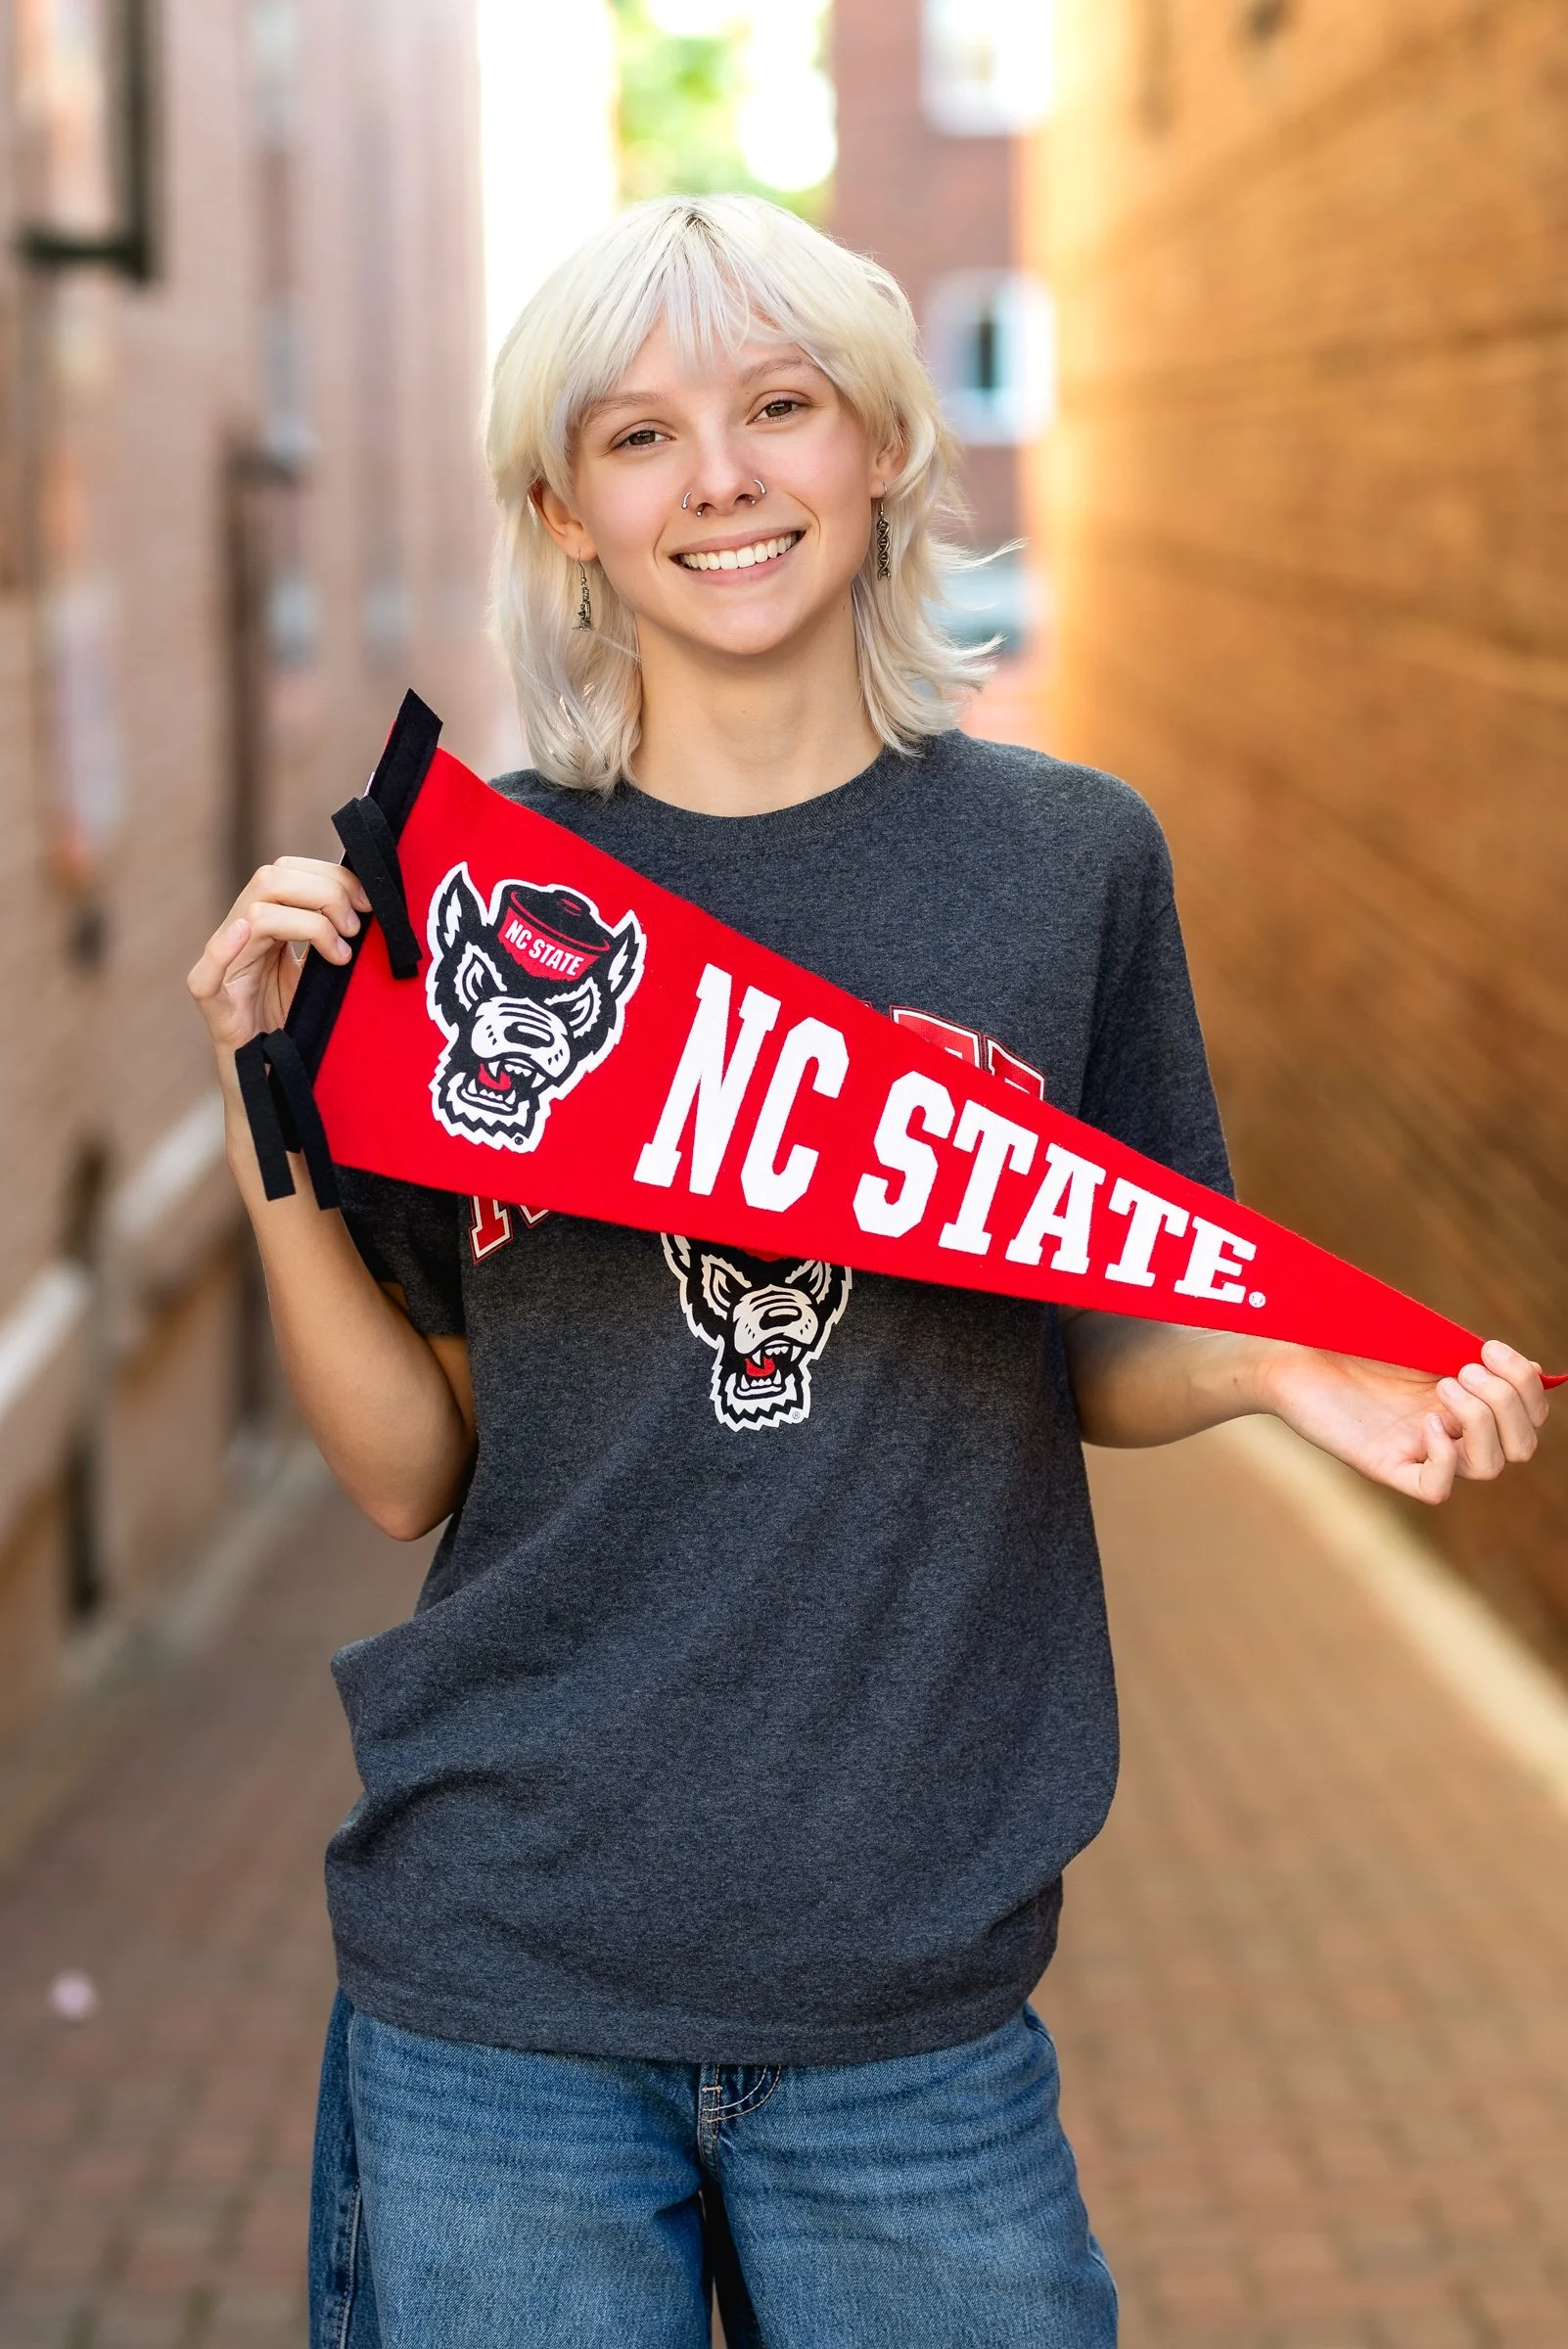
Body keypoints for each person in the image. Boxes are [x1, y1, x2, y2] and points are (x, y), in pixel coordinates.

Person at [188, 196, 1546, 2349]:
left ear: (888, 446)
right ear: (565, 510)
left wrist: (1294, 1372)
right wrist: (268, 1109)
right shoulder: (474, 907)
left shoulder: (1064, 862)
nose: (719, 477)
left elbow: (1107, 1326)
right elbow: (403, 1472)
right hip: (501, 1979)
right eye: (637, 438)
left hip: (915, 1999)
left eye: (780, 407)